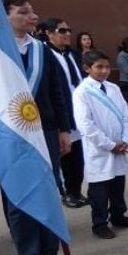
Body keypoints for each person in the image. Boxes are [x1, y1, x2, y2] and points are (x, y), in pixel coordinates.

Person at [0, 0, 71, 255]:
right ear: (4, 16)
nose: (33, 16)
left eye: (32, 11)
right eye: (24, 12)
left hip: (46, 131)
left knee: (47, 190)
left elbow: (57, 92)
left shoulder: (43, 51)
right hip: (10, 135)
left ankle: (49, 252)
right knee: (18, 197)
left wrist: (65, 129)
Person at [73, 49, 128, 239]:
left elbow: (125, 115)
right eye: (98, 67)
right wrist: (109, 145)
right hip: (100, 149)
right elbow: (85, 125)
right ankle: (100, 223)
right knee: (100, 190)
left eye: (106, 67)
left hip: (119, 145)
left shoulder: (114, 88)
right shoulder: (82, 92)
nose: (103, 71)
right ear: (87, 68)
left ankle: (118, 215)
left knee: (118, 184)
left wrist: (126, 139)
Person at [44, 17, 89, 209]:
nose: (68, 34)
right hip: (61, 115)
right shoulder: (46, 55)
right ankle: (66, 193)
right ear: (49, 33)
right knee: (65, 156)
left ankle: (76, 190)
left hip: (78, 112)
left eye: (69, 30)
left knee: (78, 157)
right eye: (62, 31)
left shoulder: (73, 54)